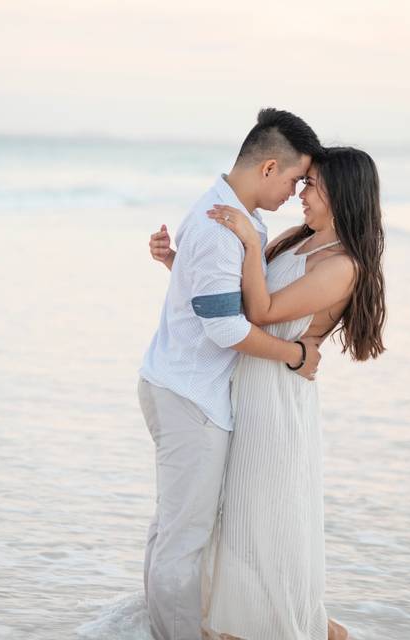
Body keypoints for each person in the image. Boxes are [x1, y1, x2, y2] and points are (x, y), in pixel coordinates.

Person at [151, 146, 387, 640]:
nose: (302, 192)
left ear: (343, 194)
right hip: (243, 390)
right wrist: (180, 262)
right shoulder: (294, 241)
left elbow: (261, 312)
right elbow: (233, 304)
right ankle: (254, 623)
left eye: (313, 184)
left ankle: (299, 629)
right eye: (303, 182)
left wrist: (252, 248)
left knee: (265, 521)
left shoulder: (341, 265)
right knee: (237, 520)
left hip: (277, 400)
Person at [138, 108, 324, 640]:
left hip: (179, 386)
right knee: (184, 537)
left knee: (172, 528)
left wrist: (178, 266)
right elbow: (226, 330)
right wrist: (293, 356)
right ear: (269, 168)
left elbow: (214, 300)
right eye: (294, 179)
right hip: (189, 397)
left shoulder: (235, 216)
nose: (295, 191)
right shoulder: (225, 225)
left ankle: (159, 627)